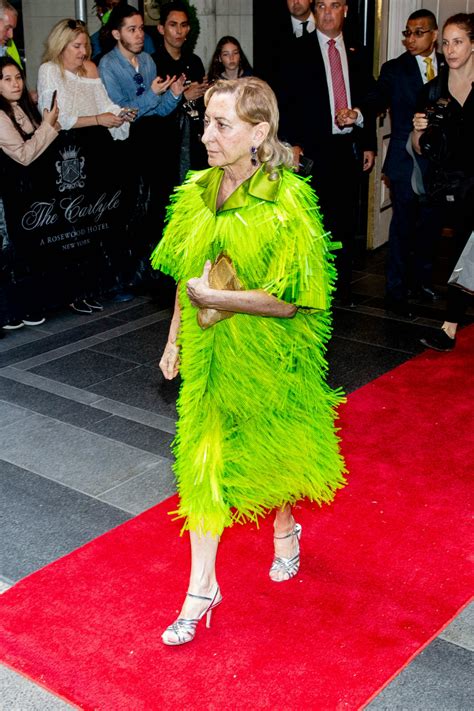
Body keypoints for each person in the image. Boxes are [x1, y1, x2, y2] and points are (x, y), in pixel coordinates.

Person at [151, 77, 346, 646]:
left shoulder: (288, 202)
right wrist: (175, 338)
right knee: (202, 465)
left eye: (222, 125)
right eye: (206, 121)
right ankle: (201, 588)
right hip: (213, 355)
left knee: (273, 457)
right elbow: (188, 278)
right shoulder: (195, 193)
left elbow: (295, 300)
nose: (206, 134)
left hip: (272, 356)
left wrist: (219, 300)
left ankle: (285, 526)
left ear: (259, 133)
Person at [278, 0, 376, 305]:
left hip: (347, 149)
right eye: (322, 6)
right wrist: (290, 142)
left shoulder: (356, 52)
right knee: (311, 222)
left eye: (335, 5)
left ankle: (340, 286)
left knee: (344, 222)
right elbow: (285, 101)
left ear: (345, 10)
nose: (328, 12)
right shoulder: (297, 50)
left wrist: (369, 141)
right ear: (314, 11)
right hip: (311, 151)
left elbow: (367, 97)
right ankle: (311, 288)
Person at [37, 18, 134, 314]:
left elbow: (104, 103)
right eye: (76, 46)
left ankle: (91, 287)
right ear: (60, 45)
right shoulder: (49, 70)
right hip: (63, 153)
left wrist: (120, 114)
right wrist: (99, 120)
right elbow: (57, 117)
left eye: (85, 46)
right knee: (68, 226)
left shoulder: (90, 69)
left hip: (95, 151)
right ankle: (70, 291)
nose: (83, 52)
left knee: (93, 223)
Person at [351, 10, 443, 317]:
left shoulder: (448, 65)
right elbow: (376, 98)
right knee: (403, 227)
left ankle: (421, 282)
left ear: (434, 34)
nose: (411, 39)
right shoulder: (395, 69)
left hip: (439, 164)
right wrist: (359, 114)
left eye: (419, 33)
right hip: (404, 162)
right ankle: (396, 292)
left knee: (429, 226)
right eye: (407, 33)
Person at [99, 4, 185, 294]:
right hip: (125, 148)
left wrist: (173, 95)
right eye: (132, 29)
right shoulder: (108, 66)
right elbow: (122, 112)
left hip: (153, 143)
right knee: (128, 212)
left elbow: (157, 110)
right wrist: (153, 94)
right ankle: (123, 275)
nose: (139, 35)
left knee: (155, 208)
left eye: (140, 29)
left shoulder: (147, 60)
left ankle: (149, 270)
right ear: (116, 33)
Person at [412, 13, 474, 351]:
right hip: (451, 185)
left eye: (458, 41)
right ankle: (450, 326)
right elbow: (420, 147)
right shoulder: (432, 91)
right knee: (461, 252)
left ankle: (450, 326)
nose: (450, 50)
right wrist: (419, 132)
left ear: (473, 43)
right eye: (446, 43)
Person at [0, 57, 59, 332]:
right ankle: (12, 310)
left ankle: (26, 304)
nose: (15, 83)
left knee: (28, 249)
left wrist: (47, 125)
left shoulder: (22, 108)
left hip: (26, 194)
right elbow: (24, 155)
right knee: (12, 251)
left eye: (18, 77)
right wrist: (48, 126)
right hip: (9, 194)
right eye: (7, 79)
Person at [152, 0, 209, 181]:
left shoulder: (194, 61)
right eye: (173, 25)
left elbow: (201, 104)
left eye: (183, 25)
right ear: (161, 29)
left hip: (196, 140)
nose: (179, 31)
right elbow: (151, 112)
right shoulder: (152, 64)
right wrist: (183, 96)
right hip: (167, 145)